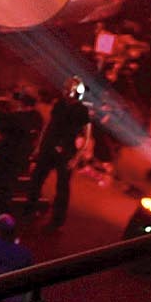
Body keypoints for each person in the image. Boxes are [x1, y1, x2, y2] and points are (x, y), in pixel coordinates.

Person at [27, 81, 91, 228]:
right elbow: (48, 125)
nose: (65, 91)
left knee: (62, 188)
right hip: (49, 147)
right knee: (36, 180)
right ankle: (30, 212)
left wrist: (75, 158)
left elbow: (87, 137)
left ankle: (57, 221)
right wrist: (39, 146)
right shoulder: (59, 104)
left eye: (68, 89)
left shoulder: (82, 110)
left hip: (67, 152)